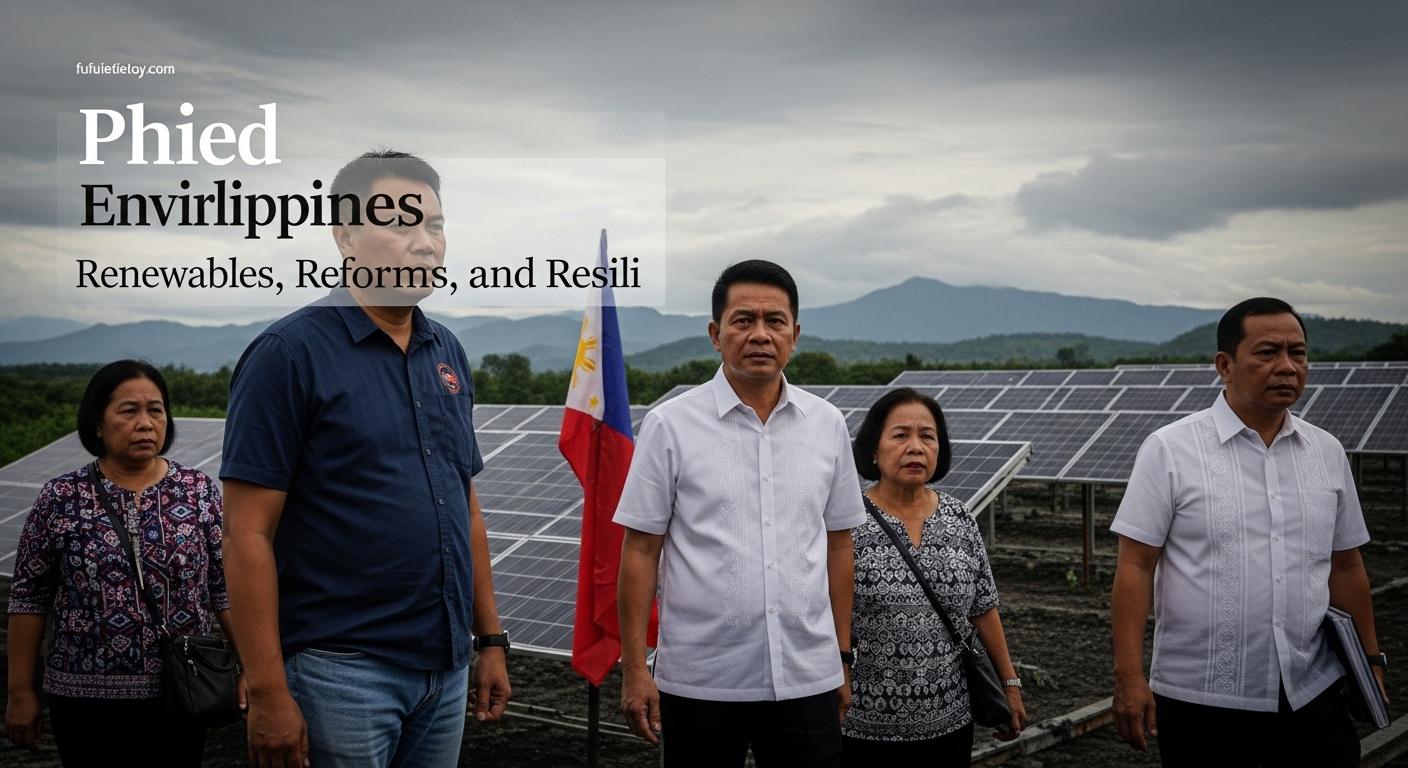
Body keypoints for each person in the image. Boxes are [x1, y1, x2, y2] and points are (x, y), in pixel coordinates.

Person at [220, 151, 511, 768]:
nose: (424, 243)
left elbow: (465, 505)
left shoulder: (446, 349)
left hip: (446, 668)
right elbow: (247, 533)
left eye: (433, 225)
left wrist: (489, 640)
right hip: (339, 672)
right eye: (402, 224)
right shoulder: (288, 354)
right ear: (345, 235)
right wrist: (270, 691)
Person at [1110, 297, 1387, 767]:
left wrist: (1372, 661)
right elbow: (1136, 564)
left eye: (1297, 353)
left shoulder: (1327, 452)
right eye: (1267, 353)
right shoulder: (1170, 449)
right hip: (1202, 698)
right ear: (1225, 364)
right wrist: (1128, 677)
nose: (1287, 367)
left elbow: (1346, 564)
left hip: (1312, 688)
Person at [614, 260, 866, 768]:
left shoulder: (827, 424)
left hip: (807, 674)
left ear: (795, 335)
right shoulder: (671, 425)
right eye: (743, 320)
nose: (760, 334)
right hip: (702, 680)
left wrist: (840, 656)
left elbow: (839, 543)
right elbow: (641, 549)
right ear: (715, 333)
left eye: (775, 322)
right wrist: (636, 668)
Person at [4, 360, 237, 767]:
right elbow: (29, 598)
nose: (146, 423)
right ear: (97, 422)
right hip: (82, 700)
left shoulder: (198, 491)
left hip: (183, 690)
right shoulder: (60, 497)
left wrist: (252, 667)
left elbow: (224, 586)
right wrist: (21, 692)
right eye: (129, 411)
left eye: (156, 410)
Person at [842, 387, 1026, 763]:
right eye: (900, 435)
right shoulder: (845, 522)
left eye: (927, 436)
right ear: (873, 450)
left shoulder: (960, 519)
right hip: (862, 723)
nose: (915, 447)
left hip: (949, 721)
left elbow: (983, 609)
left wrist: (1010, 682)